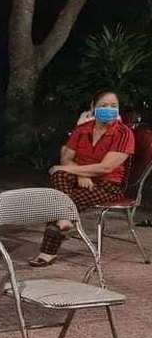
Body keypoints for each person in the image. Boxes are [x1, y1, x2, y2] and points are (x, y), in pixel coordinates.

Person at [31, 91, 134, 266]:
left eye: (113, 106)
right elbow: (66, 159)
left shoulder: (124, 133)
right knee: (59, 174)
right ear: (93, 107)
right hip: (81, 179)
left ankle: (48, 252)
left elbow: (106, 168)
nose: (109, 109)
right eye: (103, 105)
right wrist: (81, 174)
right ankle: (64, 219)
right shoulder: (82, 129)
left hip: (108, 186)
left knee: (61, 200)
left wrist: (73, 170)